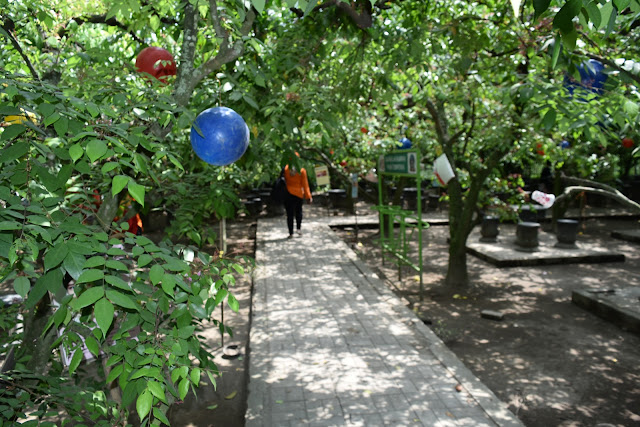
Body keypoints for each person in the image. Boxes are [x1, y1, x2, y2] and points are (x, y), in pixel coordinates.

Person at [283, 164, 313, 238]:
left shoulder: (286, 169)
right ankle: (298, 229)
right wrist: (308, 196)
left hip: (288, 194)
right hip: (298, 194)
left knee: (289, 214)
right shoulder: (301, 170)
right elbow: (305, 184)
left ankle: (291, 233)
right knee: (298, 212)